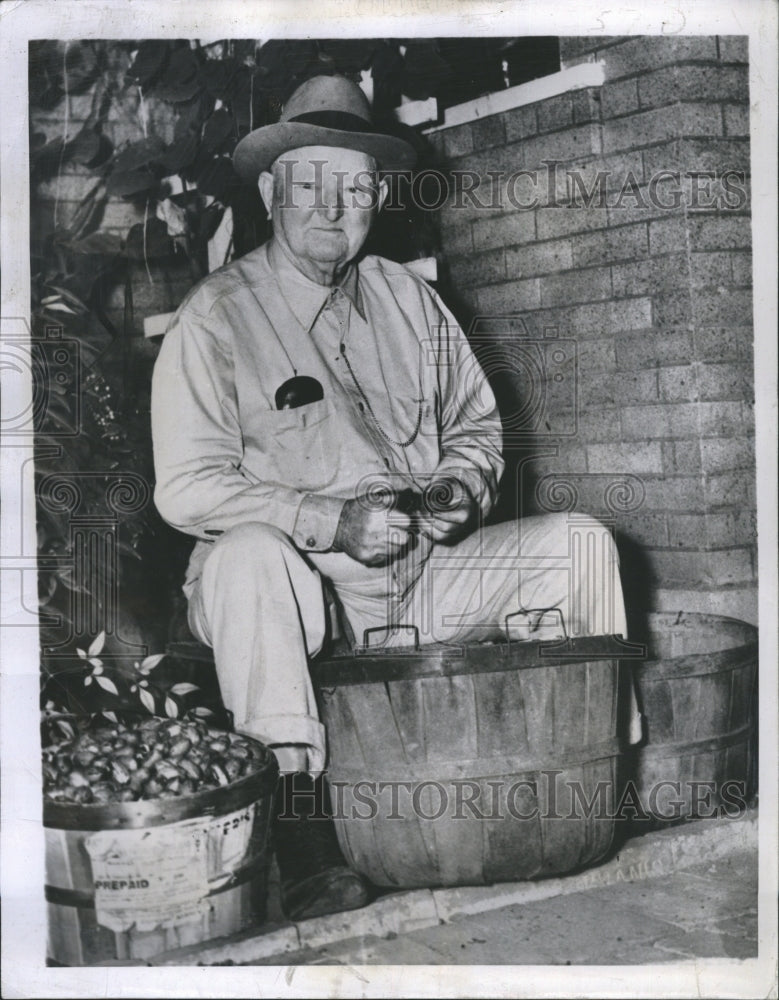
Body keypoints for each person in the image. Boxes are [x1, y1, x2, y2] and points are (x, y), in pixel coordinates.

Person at [151, 75, 628, 920]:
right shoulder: (215, 319)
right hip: (299, 590)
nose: (336, 207)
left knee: (580, 543)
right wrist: (329, 521)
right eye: (313, 184)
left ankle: (592, 776)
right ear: (272, 194)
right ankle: (299, 832)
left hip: (420, 572)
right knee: (251, 559)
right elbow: (186, 487)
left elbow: (477, 427)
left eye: (359, 187)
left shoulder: (410, 298)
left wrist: (459, 487)